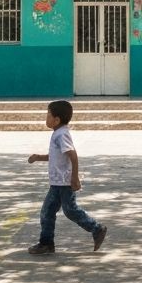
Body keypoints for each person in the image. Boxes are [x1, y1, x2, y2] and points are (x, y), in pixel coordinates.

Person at [26, 99, 107, 255]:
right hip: (57, 183)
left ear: (57, 119)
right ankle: (46, 243)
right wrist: (38, 157)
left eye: (48, 115)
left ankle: (96, 228)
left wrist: (74, 178)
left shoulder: (61, 134)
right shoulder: (58, 133)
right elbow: (56, 156)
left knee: (70, 210)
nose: (46, 118)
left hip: (64, 182)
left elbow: (73, 155)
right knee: (47, 212)